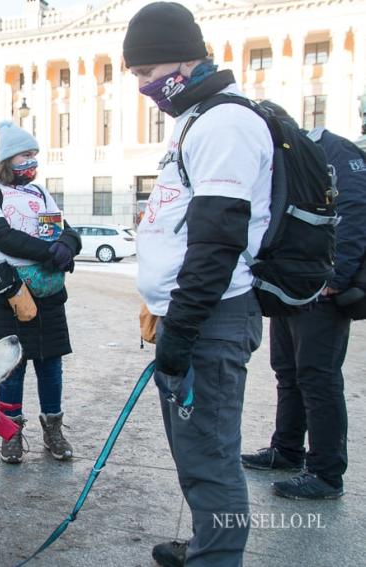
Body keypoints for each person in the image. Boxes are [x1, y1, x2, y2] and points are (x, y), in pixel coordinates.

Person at [123, 3, 271, 565]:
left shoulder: (226, 123)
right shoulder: (195, 119)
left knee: (209, 453)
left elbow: (217, 240)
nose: (143, 87)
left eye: (146, 73)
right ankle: (210, 541)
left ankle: (218, 555)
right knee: (193, 449)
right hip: (189, 317)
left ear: (185, 59)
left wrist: (181, 328)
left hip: (210, 318)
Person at [242, 103, 366, 500]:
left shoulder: (335, 152)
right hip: (291, 285)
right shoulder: (286, 156)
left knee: (318, 376)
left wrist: (335, 279)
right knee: (288, 371)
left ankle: (327, 474)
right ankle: (287, 449)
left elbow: (353, 213)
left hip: (321, 288)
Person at [0, 120, 81, 465]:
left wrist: (68, 244)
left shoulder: (40, 192)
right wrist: (49, 252)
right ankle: (10, 434)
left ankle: (53, 430)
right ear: (7, 159)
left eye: (34, 154)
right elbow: (1, 235)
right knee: (10, 367)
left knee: (50, 364)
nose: (32, 161)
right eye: (25, 155)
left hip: (45, 290)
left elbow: (65, 229)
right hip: (6, 290)